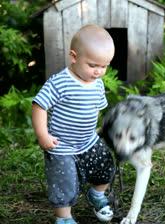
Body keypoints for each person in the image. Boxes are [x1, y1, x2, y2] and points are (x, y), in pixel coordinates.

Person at [32, 24, 116, 224]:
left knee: (105, 164)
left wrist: (97, 128)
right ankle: (63, 217)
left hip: (87, 140)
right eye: (93, 65)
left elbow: (96, 108)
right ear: (74, 56)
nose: (98, 72)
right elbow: (39, 106)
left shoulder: (97, 84)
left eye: (104, 66)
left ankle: (96, 194)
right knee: (64, 181)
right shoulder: (59, 82)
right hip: (62, 145)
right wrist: (43, 135)